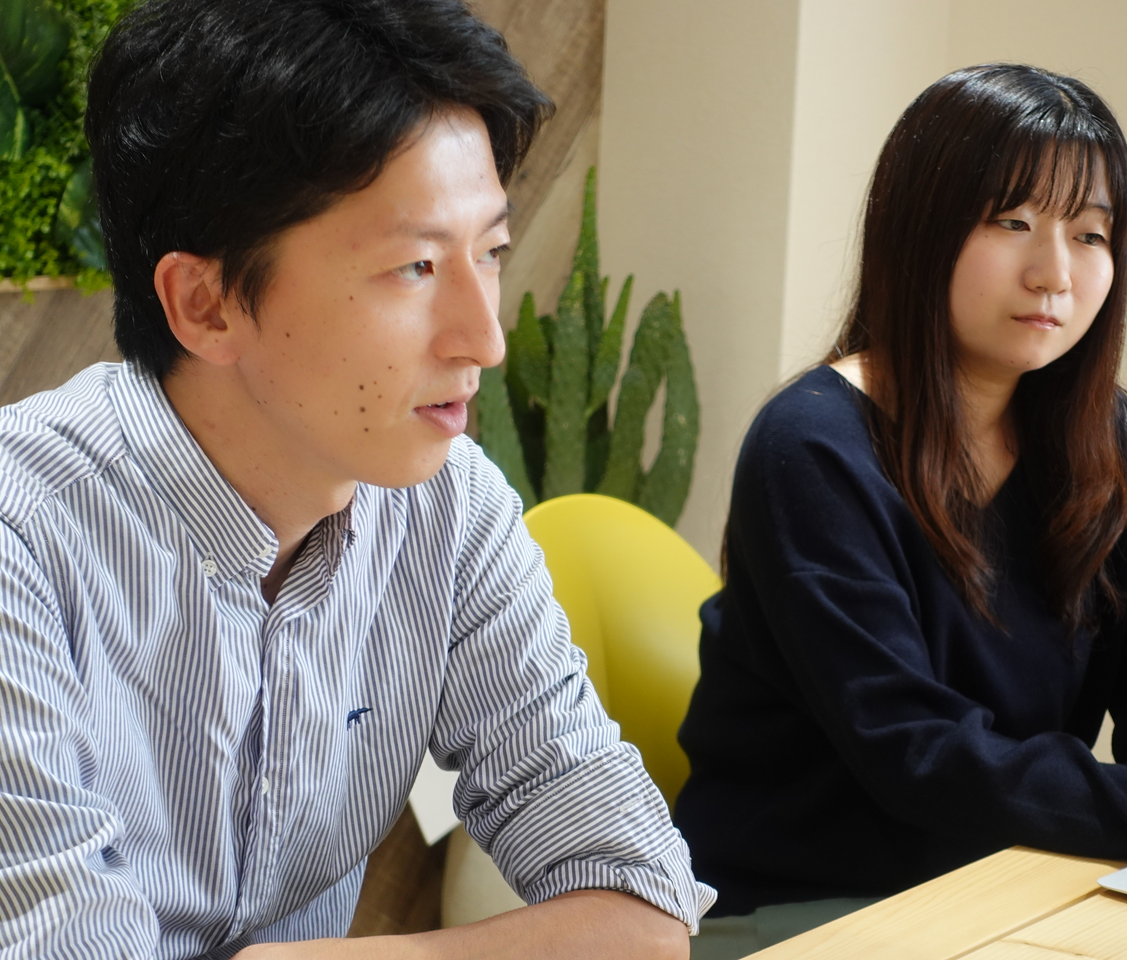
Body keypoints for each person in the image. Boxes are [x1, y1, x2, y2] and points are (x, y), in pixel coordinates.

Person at [0, 0, 711, 956]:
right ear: (205, 304)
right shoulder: (21, 539)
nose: (485, 339)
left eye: (490, 253)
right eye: (414, 266)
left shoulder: (449, 510)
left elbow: (644, 909)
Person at [674, 64, 1127, 923]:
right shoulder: (812, 447)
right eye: (1012, 222)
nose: (1054, 273)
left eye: (1090, 234)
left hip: (1015, 877)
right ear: (920, 230)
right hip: (810, 909)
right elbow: (915, 753)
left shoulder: (1100, 435)